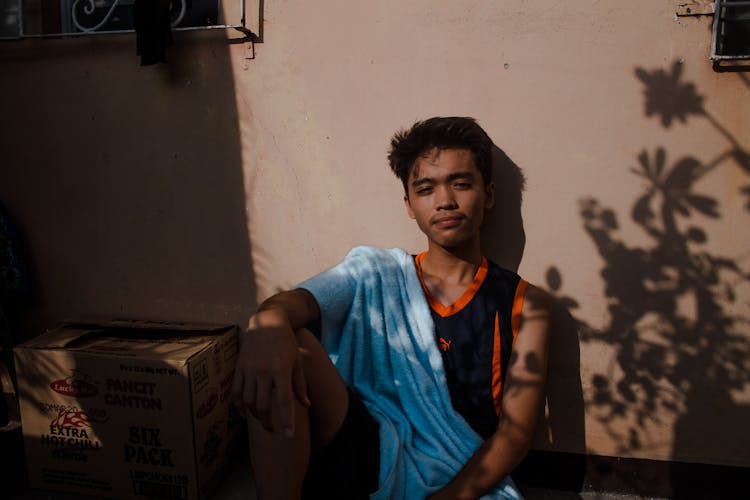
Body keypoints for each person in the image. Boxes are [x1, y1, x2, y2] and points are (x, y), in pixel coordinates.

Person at [232, 117, 551, 500]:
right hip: (365, 444)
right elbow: (296, 302)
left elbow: (515, 434)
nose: (445, 200)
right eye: (426, 188)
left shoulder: (523, 303)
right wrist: (266, 322)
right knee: (284, 342)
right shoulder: (376, 272)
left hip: (455, 467)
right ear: (409, 205)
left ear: (489, 194)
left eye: (461, 183)